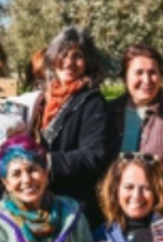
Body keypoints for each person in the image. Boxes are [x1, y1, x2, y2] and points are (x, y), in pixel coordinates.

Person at [28, 26, 114, 225]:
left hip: (71, 209)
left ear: (88, 62)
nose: (68, 62)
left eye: (77, 56)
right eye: (63, 54)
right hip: (35, 202)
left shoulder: (93, 102)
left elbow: (95, 155)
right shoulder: (42, 98)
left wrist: (48, 163)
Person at [106, 44, 163, 172]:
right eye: (139, 72)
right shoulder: (108, 112)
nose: (147, 80)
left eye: (152, 72)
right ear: (125, 77)